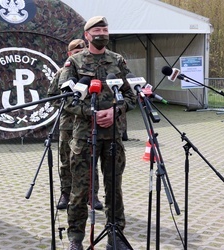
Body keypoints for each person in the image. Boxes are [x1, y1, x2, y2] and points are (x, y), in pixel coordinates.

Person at [58, 16, 136, 250]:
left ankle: (116, 236)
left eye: (105, 29)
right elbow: (63, 99)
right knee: (80, 190)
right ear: (87, 36)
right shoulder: (74, 62)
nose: (102, 33)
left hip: (112, 136)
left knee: (114, 189)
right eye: (97, 30)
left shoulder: (118, 61)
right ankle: (76, 239)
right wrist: (89, 113)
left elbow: (132, 95)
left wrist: (116, 111)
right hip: (83, 137)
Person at [47, 39, 103, 211]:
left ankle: (91, 195)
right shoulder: (62, 72)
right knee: (66, 161)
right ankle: (66, 193)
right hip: (68, 124)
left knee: (89, 159)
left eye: (82, 50)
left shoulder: (93, 72)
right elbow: (52, 96)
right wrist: (71, 107)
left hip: (87, 125)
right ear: (69, 53)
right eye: (75, 51)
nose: (79, 53)